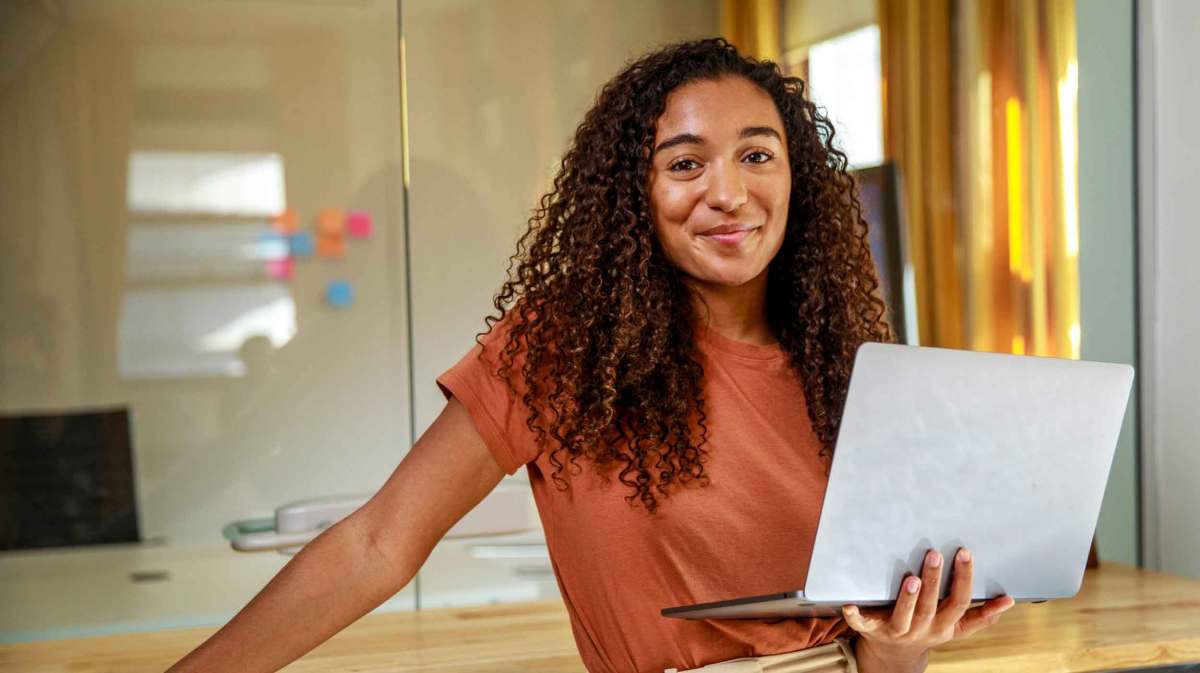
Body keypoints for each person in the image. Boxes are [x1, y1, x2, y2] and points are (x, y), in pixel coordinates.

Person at [166, 37, 1013, 673]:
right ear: (633, 193)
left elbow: (874, 655)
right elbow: (380, 543)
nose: (729, 191)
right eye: (686, 163)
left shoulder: (847, 368)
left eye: (758, 154)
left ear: (797, 178)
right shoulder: (566, 347)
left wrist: (906, 642)